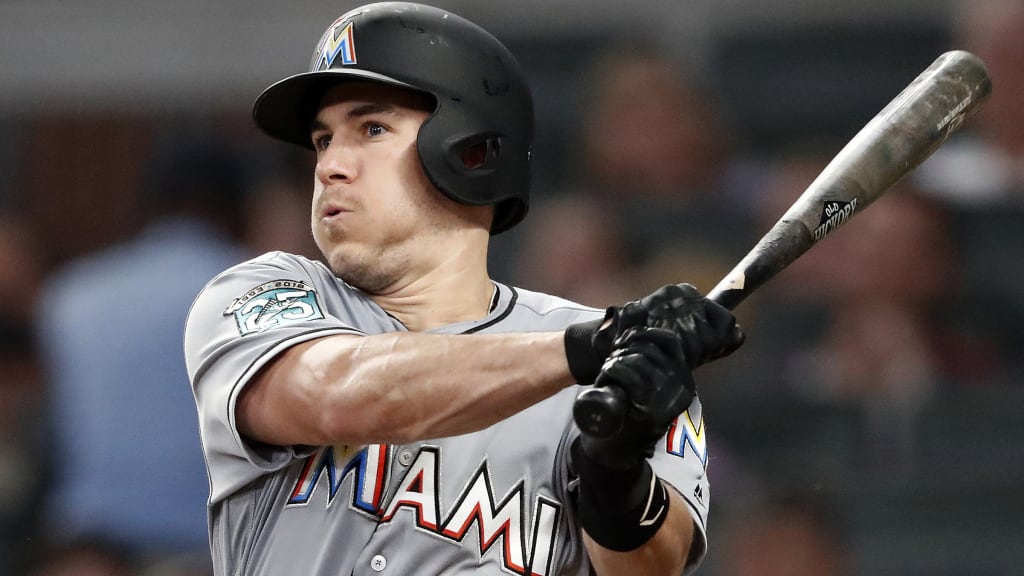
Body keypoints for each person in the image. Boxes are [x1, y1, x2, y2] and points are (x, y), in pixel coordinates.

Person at [183, 3, 744, 575]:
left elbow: (655, 567)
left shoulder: (623, 363)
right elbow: (336, 393)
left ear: (472, 152)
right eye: (324, 140)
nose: (329, 165)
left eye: (371, 129)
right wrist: (585, 349)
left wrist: (616, 477)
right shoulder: (263, 293)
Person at [35, 134, 249, 572]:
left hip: (86, 554)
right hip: (204, 553)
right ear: (234, 208)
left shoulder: (70, 295)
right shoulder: (259, 293)